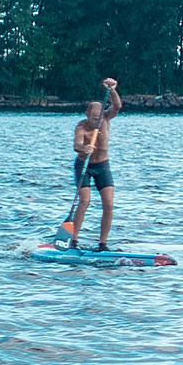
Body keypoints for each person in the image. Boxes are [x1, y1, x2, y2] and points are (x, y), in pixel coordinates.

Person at [59, 79, 122, 250]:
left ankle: (102, 244)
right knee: (85, 201)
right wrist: (83, 147)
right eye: (94, 118)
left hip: (102, 166)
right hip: (84, 165)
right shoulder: (82, 127)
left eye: (99, 117)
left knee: (109, 204)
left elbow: (117, 105)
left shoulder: (107, 118)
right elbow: (76, 144)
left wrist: (112, 90)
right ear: (87, 114)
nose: (97, 121)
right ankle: (74, 240)